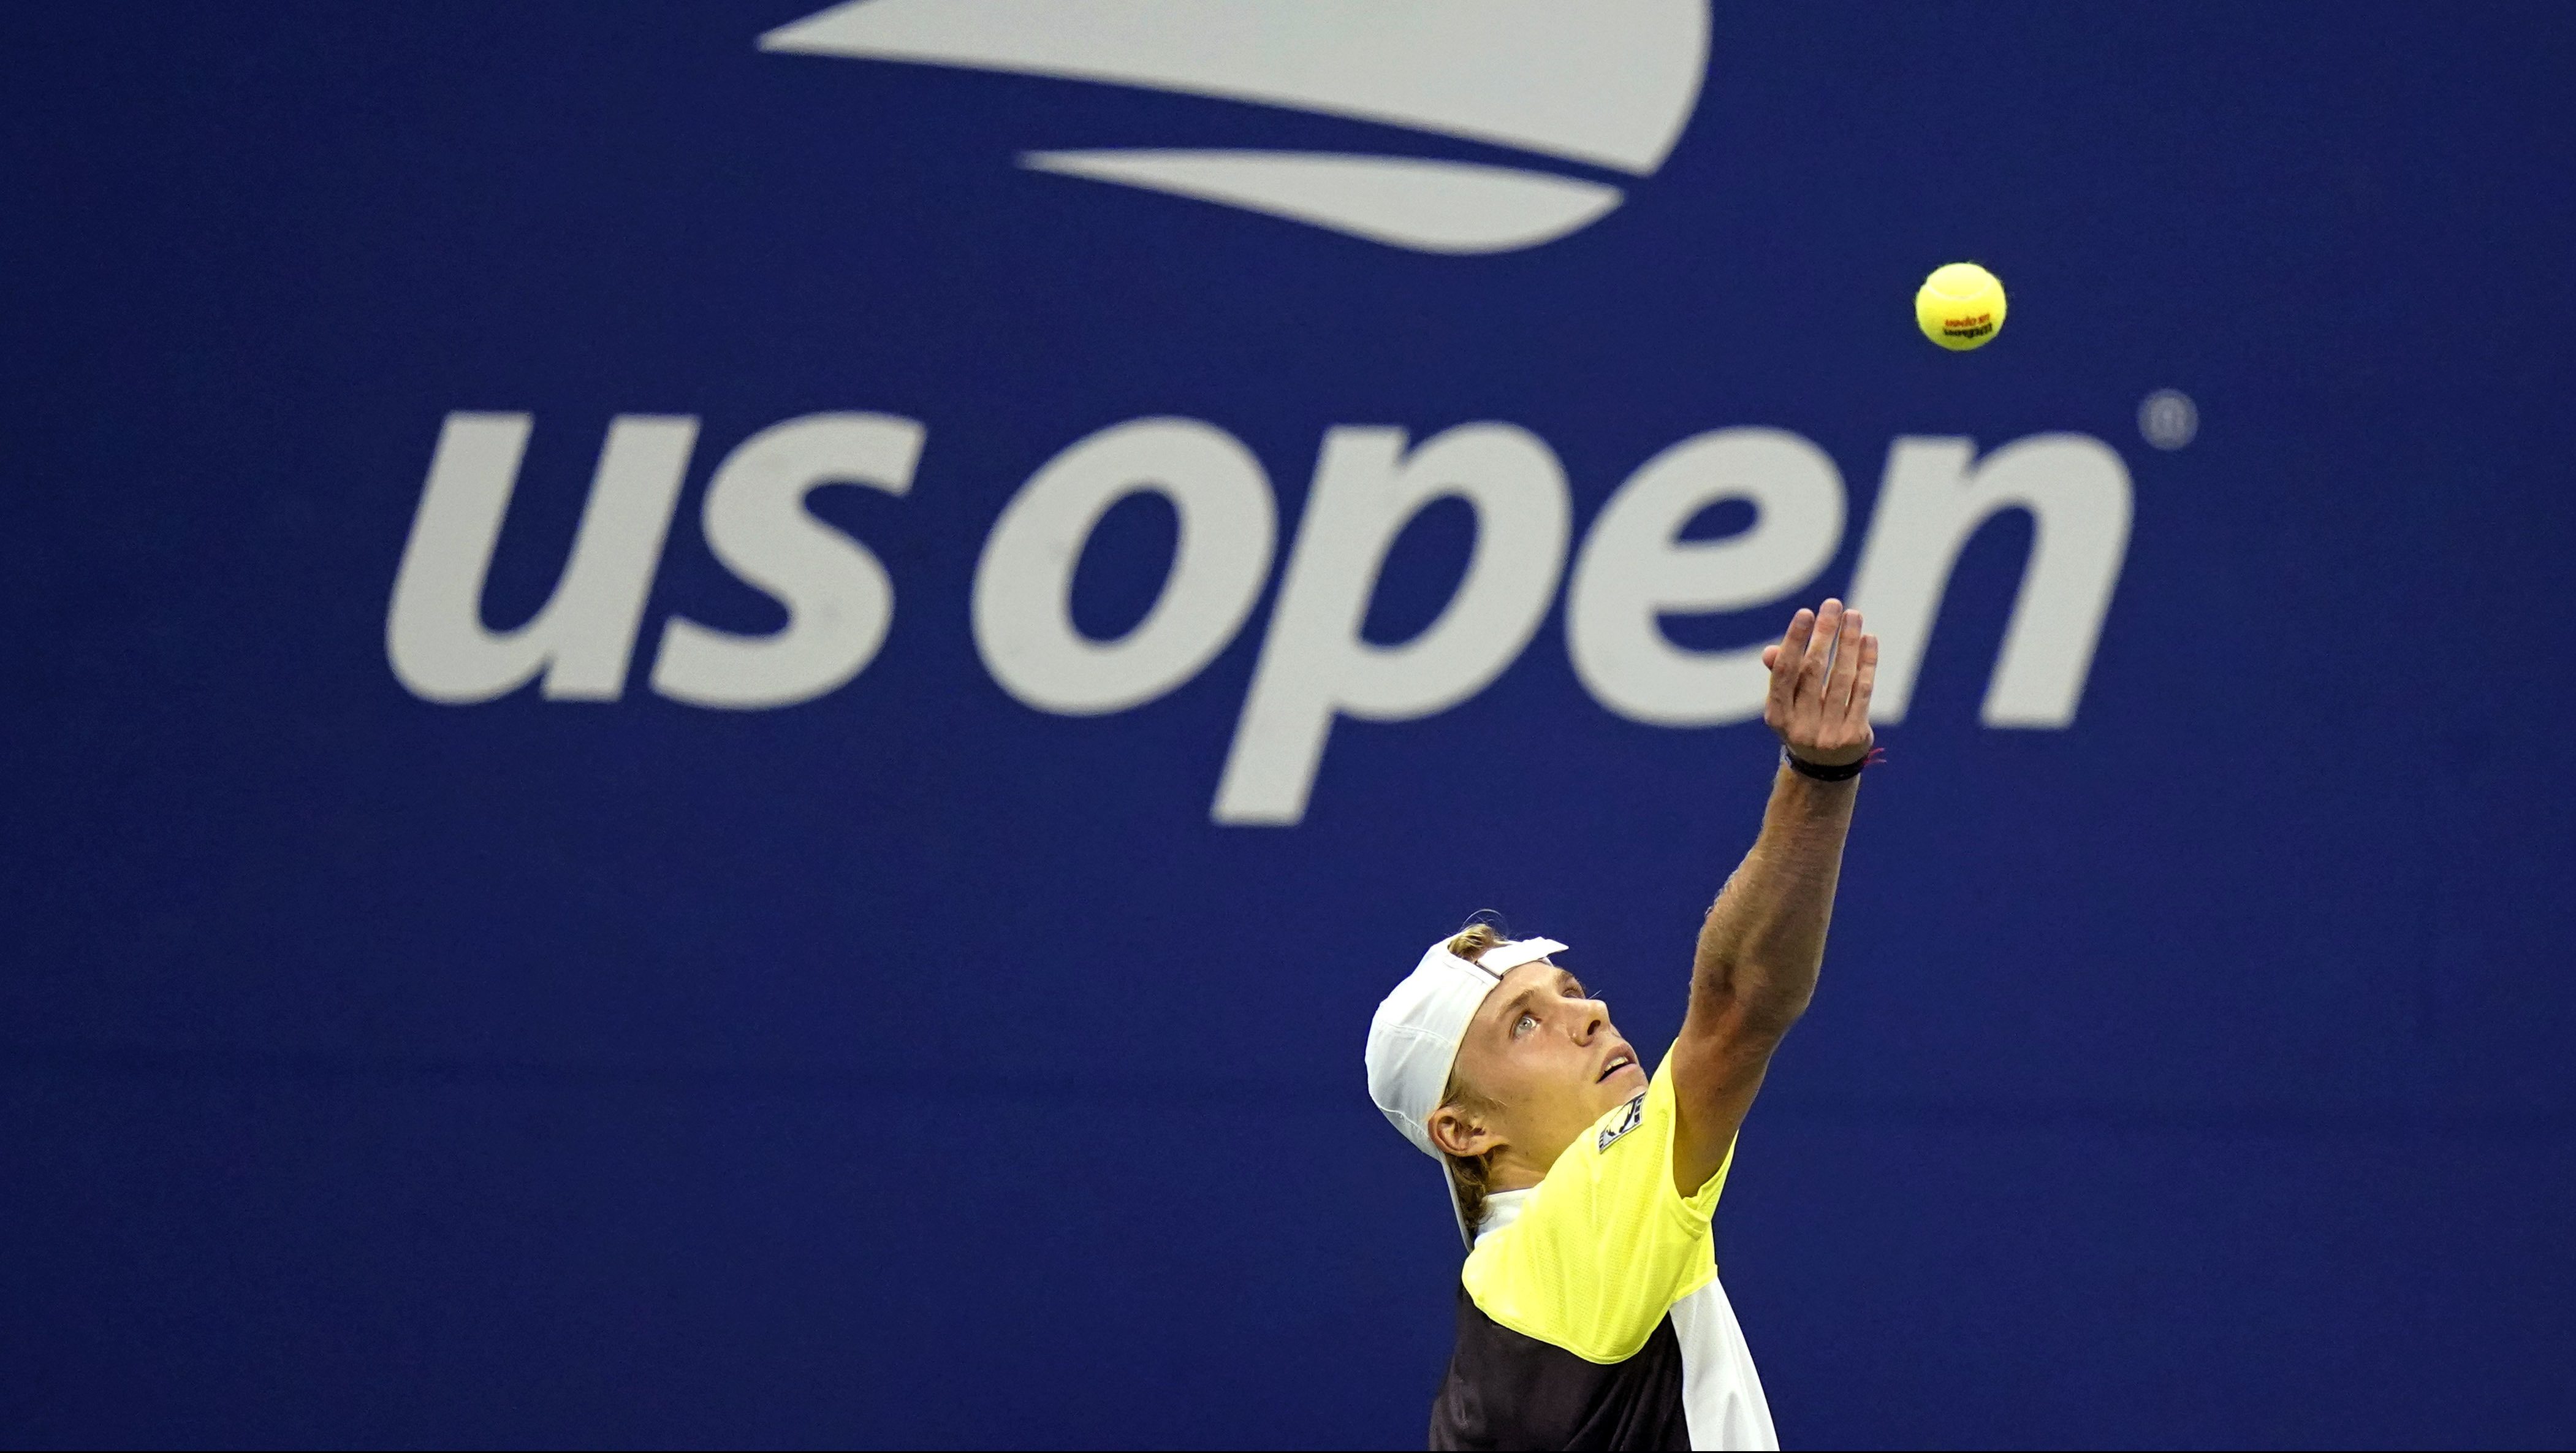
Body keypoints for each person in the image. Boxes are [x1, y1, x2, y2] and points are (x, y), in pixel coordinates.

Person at [1366, 598, 1881, 1451]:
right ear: (1463, 1129)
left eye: (1570, 989)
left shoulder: (1513, 1296)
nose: (1590, 1013)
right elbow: (1737, 1007)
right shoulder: (1563, 1249)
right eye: (1524, 1024)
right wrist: (1817, 778)